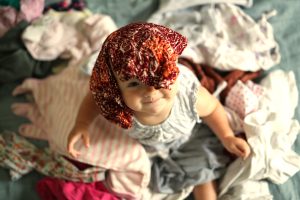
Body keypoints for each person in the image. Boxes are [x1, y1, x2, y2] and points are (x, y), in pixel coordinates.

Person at [67, 22, 251, 200]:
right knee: (128, 181)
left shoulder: (189, 96)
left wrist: (227, 136)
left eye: (159, 76)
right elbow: (94, 98)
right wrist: (82, 124)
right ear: (115, 88)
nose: (150, 90)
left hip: (189, 138)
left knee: (202, 174)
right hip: (149, 148)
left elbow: (212, 110)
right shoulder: (115, 100)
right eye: (133, 84)